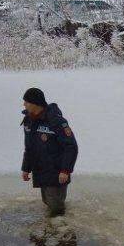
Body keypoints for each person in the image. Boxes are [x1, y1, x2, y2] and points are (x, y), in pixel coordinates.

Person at [20, 88, 78, 216]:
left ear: (35, 103)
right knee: (47, 202)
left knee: (56, 208)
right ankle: (53, 231)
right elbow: (29, 147)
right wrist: (26, 168)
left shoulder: (56, 121)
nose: (24, 104)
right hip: (41, 171)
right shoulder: (29, 120)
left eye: (26, 102)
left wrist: (65, 170)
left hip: (57, 173)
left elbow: (71, 147)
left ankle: (62, 233)